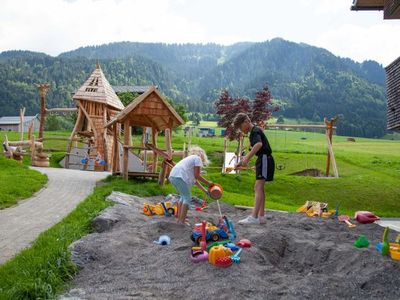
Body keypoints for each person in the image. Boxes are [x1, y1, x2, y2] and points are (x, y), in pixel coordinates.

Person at [233, 113, 275, 225]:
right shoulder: (255, 131)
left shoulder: (254, 131)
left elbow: (259, 145)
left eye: (240, 127)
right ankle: (261, 216)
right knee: (260, 188)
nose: (241, 130)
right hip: (263, 159)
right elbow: (260, 149)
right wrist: (252, 163)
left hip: (265, 159)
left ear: (246, 122)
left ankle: (254, 217)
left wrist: (246, 158)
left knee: (258, 187)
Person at [169, 146, 214, 225]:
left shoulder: (189, 163)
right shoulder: (197, 158)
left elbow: (195, 180)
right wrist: (208, 183)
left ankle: (180, 219)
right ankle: (181, 221)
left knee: (183, 197)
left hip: (173, 176)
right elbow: (197, 176)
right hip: (179, 176)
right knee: (187, 197)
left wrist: (205, 190)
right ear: (202, 155)